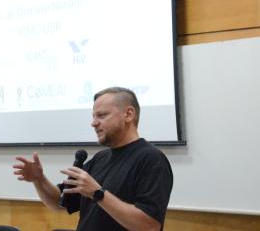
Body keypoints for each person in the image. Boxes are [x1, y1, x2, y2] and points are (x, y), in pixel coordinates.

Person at [13, 87, 173, 230]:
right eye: (93, 116)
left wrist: (98, 193)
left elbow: (149, 226)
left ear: (129, 114)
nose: (93, 123)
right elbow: (59, 204)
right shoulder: (99, 159)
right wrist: (39, 180)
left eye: (102, 115)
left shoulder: (152, 160)